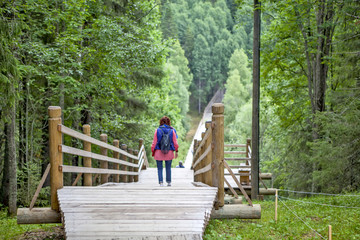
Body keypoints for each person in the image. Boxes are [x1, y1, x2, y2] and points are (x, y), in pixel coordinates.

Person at [151, 116, 178, 186]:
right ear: (169, 122)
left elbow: (154, 142)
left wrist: (153, 151)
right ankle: (169, 182)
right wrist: (176, 151)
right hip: (169, 151)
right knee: (168, 167)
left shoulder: (157, 130)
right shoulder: (172, 130)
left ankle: (161, 182)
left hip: (158, 151)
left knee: (159, 168)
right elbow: (175, 143)